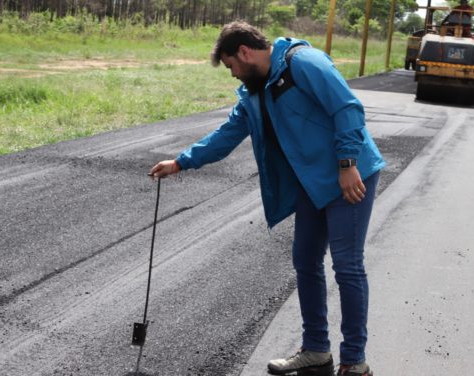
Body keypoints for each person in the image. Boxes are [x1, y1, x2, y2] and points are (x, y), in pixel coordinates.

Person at [149, 22, 384, 376]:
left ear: (244, 52)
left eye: (232, 66)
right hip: (310, 182)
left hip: (348, 175)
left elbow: (347, 108)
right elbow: (227, 134)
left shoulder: (303, 62)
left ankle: (355, 360)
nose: (233, 75)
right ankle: (316, 349)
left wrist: (347, 162)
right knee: (305, 261)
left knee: (347, 266)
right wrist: (181, 161)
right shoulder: (254, 93)